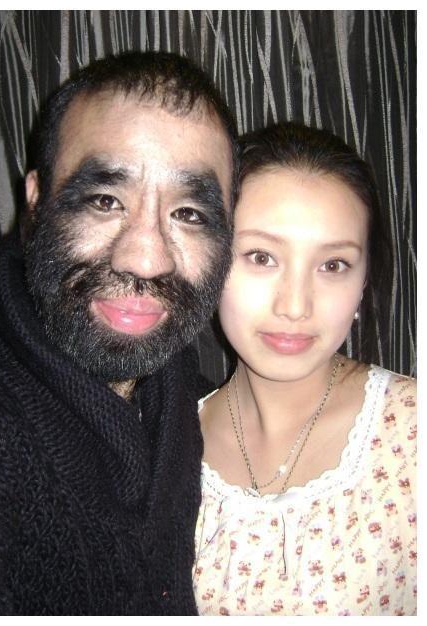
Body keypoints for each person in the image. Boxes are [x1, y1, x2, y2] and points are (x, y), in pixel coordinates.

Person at [0, 51, 238, 615]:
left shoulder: (191, 399)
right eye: (105, 200)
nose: (146, 258)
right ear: (35, 204)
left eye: (189, 214)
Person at [193, 122, 416, 616]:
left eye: (333, 265)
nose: (295, 306)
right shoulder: (164, 445)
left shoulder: (411, 431)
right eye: (261, 257)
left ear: (363, 282)